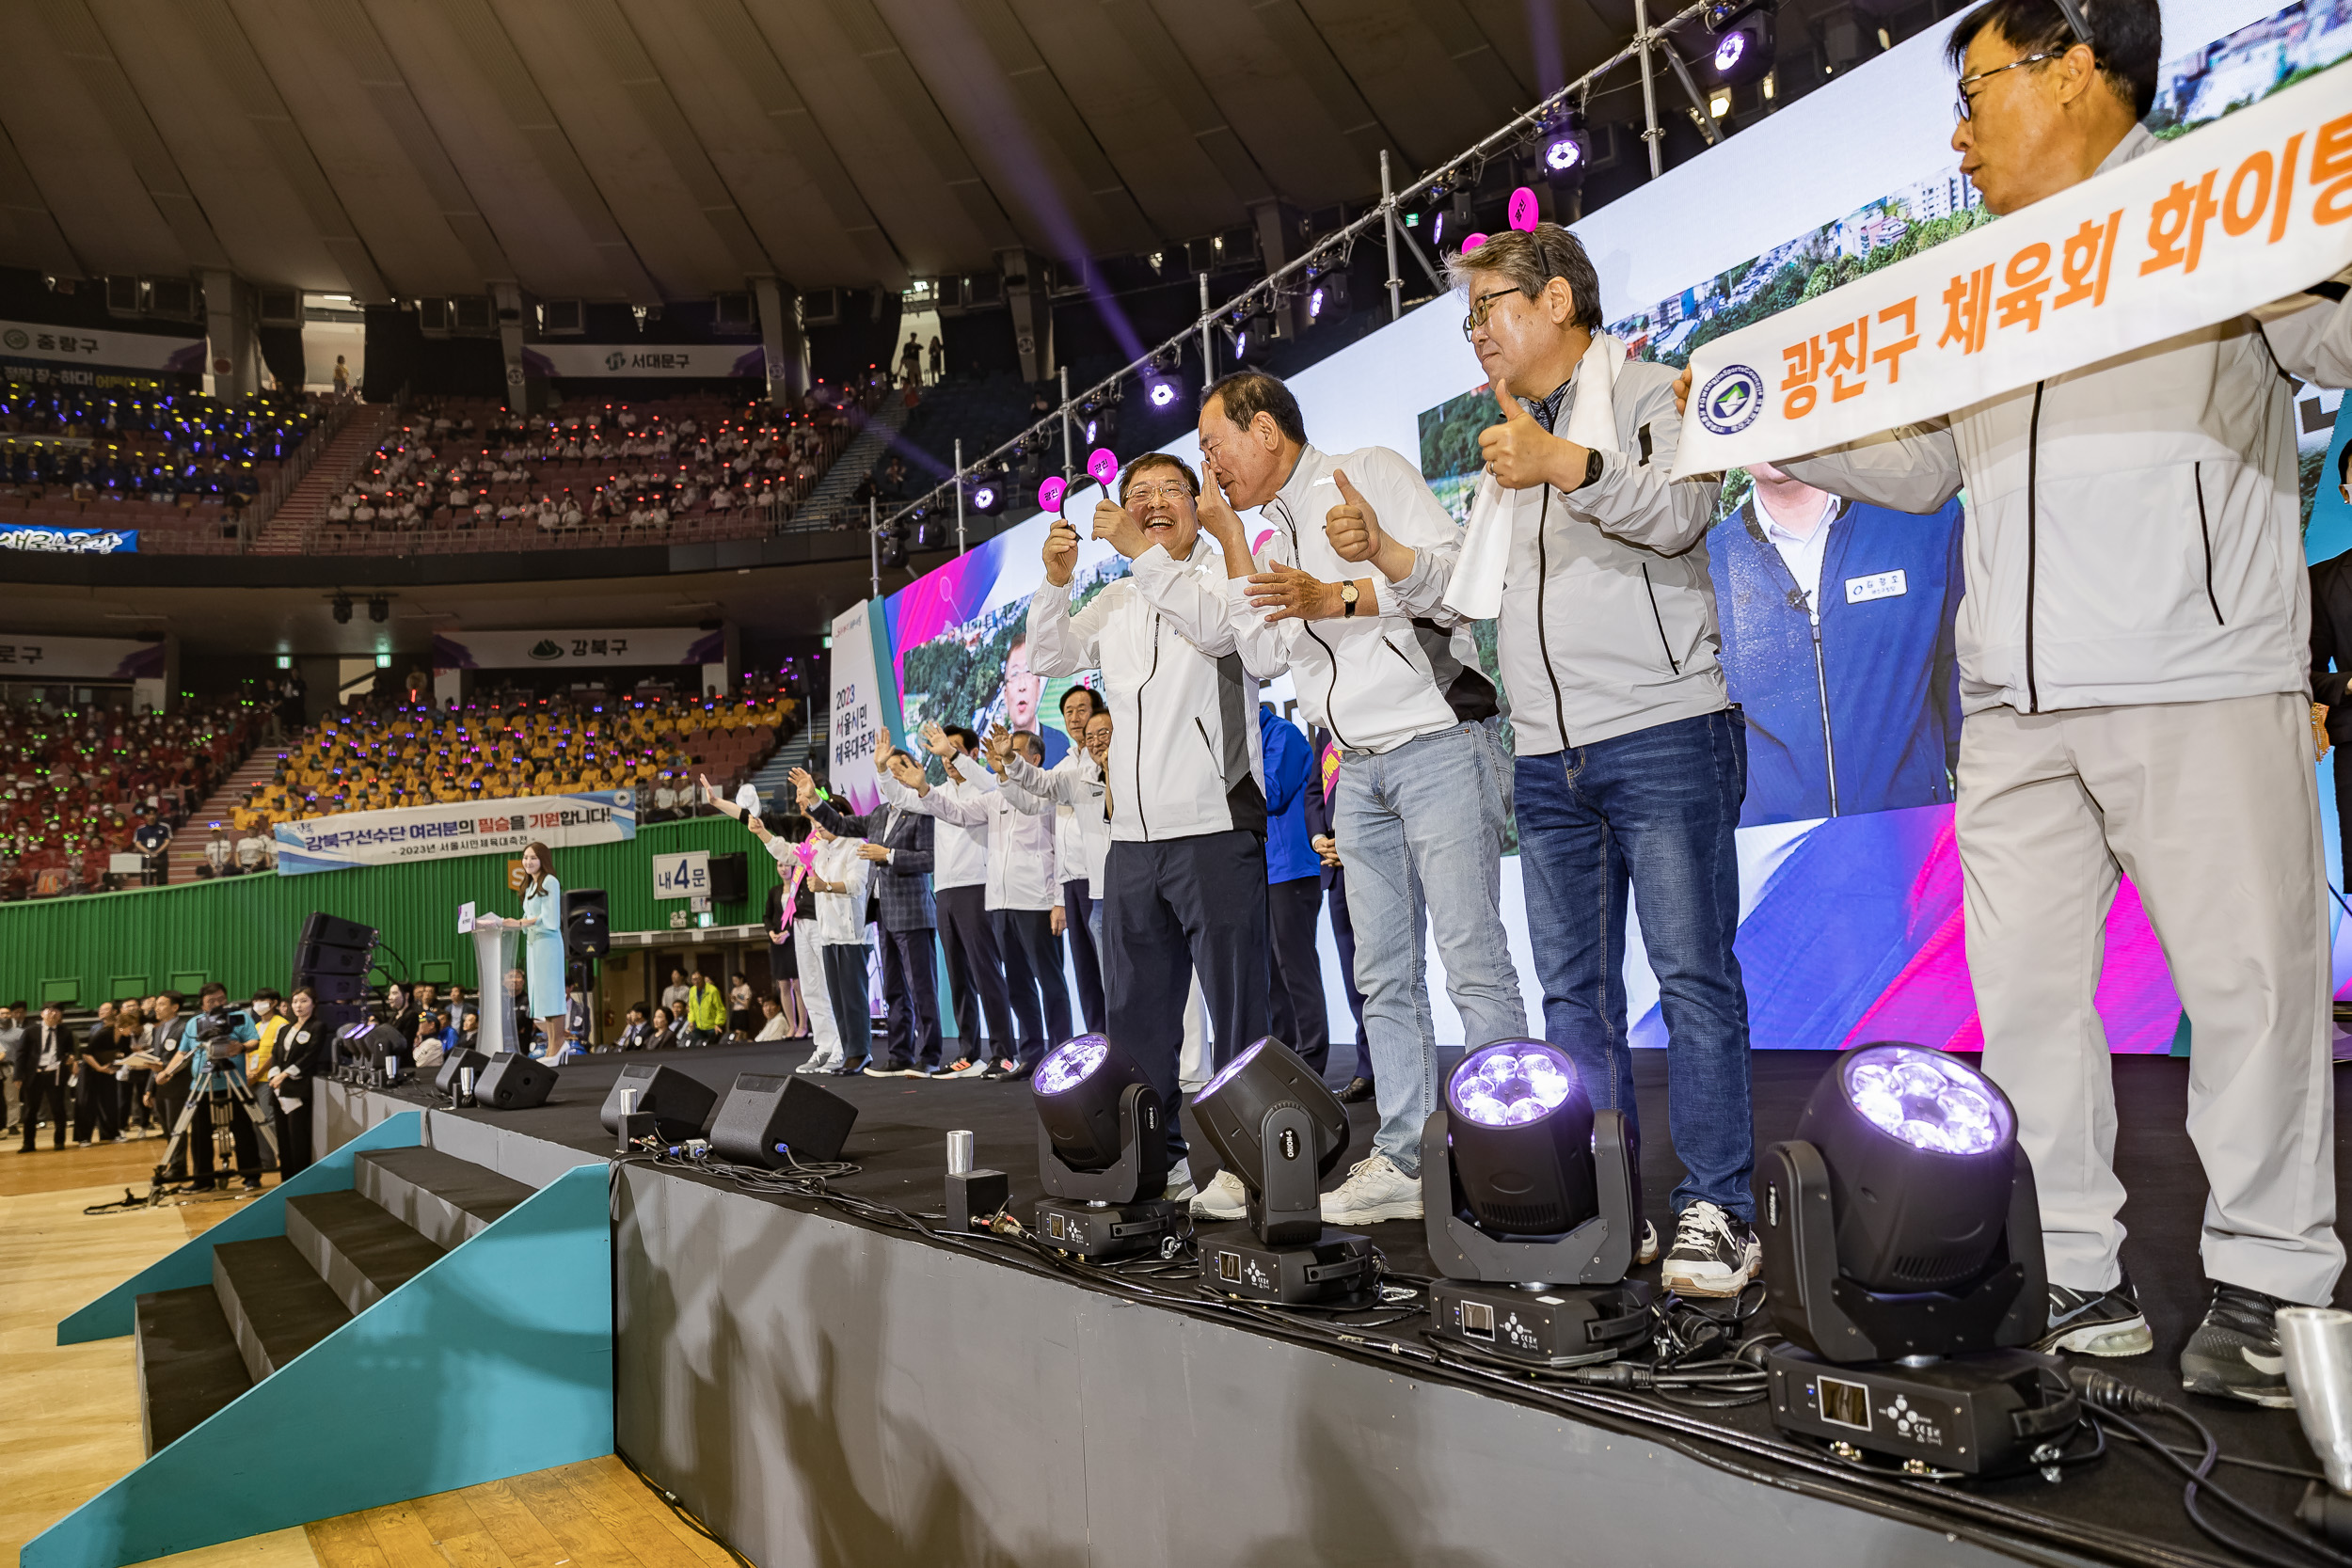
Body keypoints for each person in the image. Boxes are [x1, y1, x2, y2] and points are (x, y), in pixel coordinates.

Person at [1690, 0, 2352, 1396]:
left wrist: (2299, 258)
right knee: (2031, 1004)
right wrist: (1783, 423)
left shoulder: (2219, 212)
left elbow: (2334, 358)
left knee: (2252, 986)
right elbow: (1927, 470)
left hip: (2197, 670)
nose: (1959, 127)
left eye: (1979, 86)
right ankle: (2077, 1272)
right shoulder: (1978, 282)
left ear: (2079, 68)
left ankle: (2269, 1287)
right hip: (2013, 704)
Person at [1451, 222, 1750, 1295]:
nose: (1476, 331)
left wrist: (1566, 463)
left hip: (1664, 727)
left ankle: (1719, 1205)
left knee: (1692, 978)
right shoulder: (1509, 435)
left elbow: (1681, 511)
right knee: (1573, 996)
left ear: (1560, 300)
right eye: (1470, 313)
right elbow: (1470, 586)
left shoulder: (1656, 390)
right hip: (1546, 755)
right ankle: (1601, 1203)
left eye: (1491, 306)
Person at [1197, 368, 1523, 1227]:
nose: (1209, 462)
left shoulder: (1369, 471)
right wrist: (1234, 540)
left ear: (1264, 430)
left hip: (1439, 740)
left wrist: (1353, 574)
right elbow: (1265, 659)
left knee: (1473, 960)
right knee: (1381, 975)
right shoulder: (1269, 538)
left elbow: (1458, 580)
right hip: (1357, 767)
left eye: (1215, 445)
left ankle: (1508, 1148)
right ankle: (1412, 1153)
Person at [1026, 450, 1268, 1198]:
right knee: (1135, 1019)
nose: (1153, 502)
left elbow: (1223, 633)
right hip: (1130, 841)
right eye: (1139, 494)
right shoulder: (1122, 596)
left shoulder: (1220, 572)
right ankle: (1148, 1161)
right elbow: (1051, 652)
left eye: (1169, 490)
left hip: (1213, 823)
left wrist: (1141, 556)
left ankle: (1240, 1164)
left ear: (1196, 502)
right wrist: (1056, 583)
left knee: (1236, 1011)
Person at [1708, 461, 1965, 824]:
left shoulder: (1922, 522)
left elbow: (1965, 685)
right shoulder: (1707, 566)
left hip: (1914, 838)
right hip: (1769, 857)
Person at [777, 753, 943, 1076]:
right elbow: (839, 823)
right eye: (886, 771)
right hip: (883, 913)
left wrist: (889, 855)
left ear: (914, 773)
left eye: (898, 771)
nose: (891, 777)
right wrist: (813, 798)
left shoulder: (923, 812)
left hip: (914, 911)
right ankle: (900, 1055)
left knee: (922, 988)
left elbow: (929, 860)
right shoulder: (880, 814)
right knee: (894, 990)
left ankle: (932, 1056)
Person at [876, 725, 1012, 1075]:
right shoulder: (937, 792)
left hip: (977, 886)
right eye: (941, 751)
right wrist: (882, 771)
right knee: (958, 977)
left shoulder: (985, 785)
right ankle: (970, 1051)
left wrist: (950, 753)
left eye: (953, 751)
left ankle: (1003, 1051)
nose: (946, 759)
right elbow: (903, 798)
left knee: (986, 972)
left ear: (970, 754)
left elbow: (981, 782)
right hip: (946, 891)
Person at [1002, 688, 1110, 1034]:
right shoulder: (1065, 766)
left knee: (1112, 972)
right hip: (1072, 883)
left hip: (1105, 880)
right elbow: (1034, 801)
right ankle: (1098, 1045)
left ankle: (1124, 1048)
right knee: (1086, 975)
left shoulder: (1110, 761)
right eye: (1069, 711)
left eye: (1082, 710)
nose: (1075, 718)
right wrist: (1008, 766)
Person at [1256, 704, 1329, 1075]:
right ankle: (1284, 1063)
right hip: (1261, 874)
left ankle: (1311, 1063)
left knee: (1295, 969)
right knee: (1269, 973)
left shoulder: (1281, 734)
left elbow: (1271, 792)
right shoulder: (1250, 740)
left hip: (1291, 871)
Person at [1304, 728, 1374, 1102]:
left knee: (1386, 972)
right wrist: (1320, 840)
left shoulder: (1367, 720)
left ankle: (1395, 1067)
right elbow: (1314, 793)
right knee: (1353, 978)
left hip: (1372, 862)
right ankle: (1369, 1068)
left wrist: (1353, 843)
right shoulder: (1325, 736)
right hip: (1335, 868)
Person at [474, 842, 572, 1063]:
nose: (528, 862)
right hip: (534, 944)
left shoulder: (550, 882)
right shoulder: (529, 885)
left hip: (547, 943)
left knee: (552, 995)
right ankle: (553, 1046)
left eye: (533, 858)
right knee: (542, 997)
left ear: (543, 860)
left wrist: (518, 922)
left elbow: (549, 919)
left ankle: (557, 1046)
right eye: (525, 858)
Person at [804, 818, 873, 1074]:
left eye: (821, 820)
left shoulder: (855, 845)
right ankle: (847, 1051)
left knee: (853, 997)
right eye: (813, 821)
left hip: (852, 933)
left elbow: (858, 884)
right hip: (828, 933)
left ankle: (860, 1052)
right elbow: (789, 853)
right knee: (839, 1000)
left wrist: (827, 886)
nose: (817, 826)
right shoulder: (820, 849)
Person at [268, 987, 326, 1180]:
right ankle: (286, 1179)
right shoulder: (284, 1028)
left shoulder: (317, 1026)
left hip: (298, 1088)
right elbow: (275, 1055)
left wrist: (285, 1074)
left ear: (313, 1003)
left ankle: (300, 1179)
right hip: (278, 1088)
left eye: (303, 1001)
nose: (298, 1006)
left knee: (298, 1137)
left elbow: (310, 1057)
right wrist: (275, 1075)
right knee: (282, 1137)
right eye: (295, 1002)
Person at [17, 1003, 72, 1152]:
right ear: (42, 1014)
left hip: (55, 1075)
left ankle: (59, 1142)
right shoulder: (30, 1031)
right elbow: (21, 1054)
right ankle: (28, 1144)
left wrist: (70, 1059)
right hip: (34, 1075)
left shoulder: (65, 1032)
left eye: (57, 1011)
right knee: (30, 1111)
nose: (53, 1014)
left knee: (58, 1109)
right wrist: (18, 1076)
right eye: (50, 1010)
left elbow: (70, 1052)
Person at [0, 1001, 24, 1135]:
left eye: (7, 1013)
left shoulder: (20, 1033)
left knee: (12, 1098)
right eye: (2, 1013)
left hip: (11, 1067)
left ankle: (13, 1124)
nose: (5, 1015)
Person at [685, 970, 726, 1049]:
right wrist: (691, 1021)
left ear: (703, 978)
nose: (696, 981)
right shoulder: (692, 990)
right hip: (698, 1026)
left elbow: (720, 1009)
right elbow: (692, 1008)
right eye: (694, 979)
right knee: (695, 1047)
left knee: (712, 1048)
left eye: (698, 979)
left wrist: (718, 1024)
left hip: (712, 1026)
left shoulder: (712, 990)